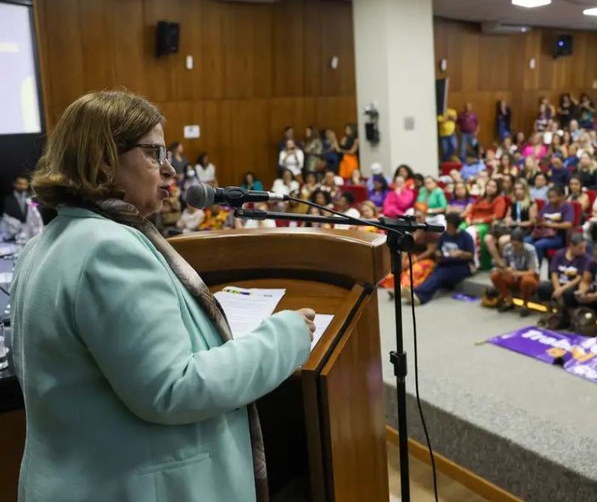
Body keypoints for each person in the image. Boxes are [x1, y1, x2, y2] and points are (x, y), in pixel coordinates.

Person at [11, 91, 315, 502]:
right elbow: (174, 388)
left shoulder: (45, 243)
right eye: (155, 153)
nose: (170, 169)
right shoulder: (108, 248)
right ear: (103, 158)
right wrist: (286, 335)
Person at [404, 213, 474, 306]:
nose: (446, 225)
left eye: (448, 223)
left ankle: (421, 297)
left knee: (440, 274)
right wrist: (438, 253)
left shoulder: (465, 236)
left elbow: (470, 255)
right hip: (445, 262)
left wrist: (460, 253)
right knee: (435, 273)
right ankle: (415, 292)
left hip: (461, 266)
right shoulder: (445, 235)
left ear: (453, 225)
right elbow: (438, 249)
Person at [381, 203, 440, 292]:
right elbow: (405, 247)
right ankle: (399, 288)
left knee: (413, 270)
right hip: (412, 256)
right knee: (396, 271)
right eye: (416, 216)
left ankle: (403, 289)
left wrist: (414, 260)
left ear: (425, 215)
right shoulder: (411, 229)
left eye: (420, 216)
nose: (418, 218)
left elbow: (429, 252)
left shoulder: (430, 231)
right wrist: (403, 260)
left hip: (426, 259)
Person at [536, 233, 590, 326]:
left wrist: (561, 289)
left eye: (584, 248)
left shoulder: (585, 258)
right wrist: (557, 288)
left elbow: (579, 278)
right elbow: (554, 273)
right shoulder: (560, 254)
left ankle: (568, 317)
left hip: (572, 285)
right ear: (572, 246)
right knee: (542, 287)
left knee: (568, 293)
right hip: (559, 283)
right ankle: (548, 312)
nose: (583, 250)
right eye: (580, 248)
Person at [490, 229, 539, 316]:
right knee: (495, 276)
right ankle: (508, 301)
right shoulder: (508, 248)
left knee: (527, 281)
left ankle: (525, 305)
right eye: (513, 244)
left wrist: (516, 273)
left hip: (527, 276)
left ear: (522, 242)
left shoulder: (530, 250)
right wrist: (503, 268)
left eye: (517, 245)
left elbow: (532, 271)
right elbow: (505, 264)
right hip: (513, 276)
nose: (515, 247)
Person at [461, 179, 506, 270]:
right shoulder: (480, 198)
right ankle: (460, 259)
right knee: (459, 228)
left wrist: (481, 220)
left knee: (471, 232)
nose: (490, 188)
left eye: (494, 186)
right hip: (473, 221)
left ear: (497, 189)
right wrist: (468, 218)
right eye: (489, 185)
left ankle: (474, 262)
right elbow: (471, 211)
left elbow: (498, 215)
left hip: (486, 224)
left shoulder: (499, 199)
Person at [525, 184, 574, 261]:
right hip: (542, 233)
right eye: (549, 197)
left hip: (557, 236)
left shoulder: (567, 207)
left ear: (561, 196)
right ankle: (528, 265)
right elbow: (540, 218)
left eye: (553, 197)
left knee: (538, 245)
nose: (551, 199)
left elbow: (568, 224)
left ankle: (538, 268)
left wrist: (549, 224)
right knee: (526, 241)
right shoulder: (548, 206)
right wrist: (537, 221)